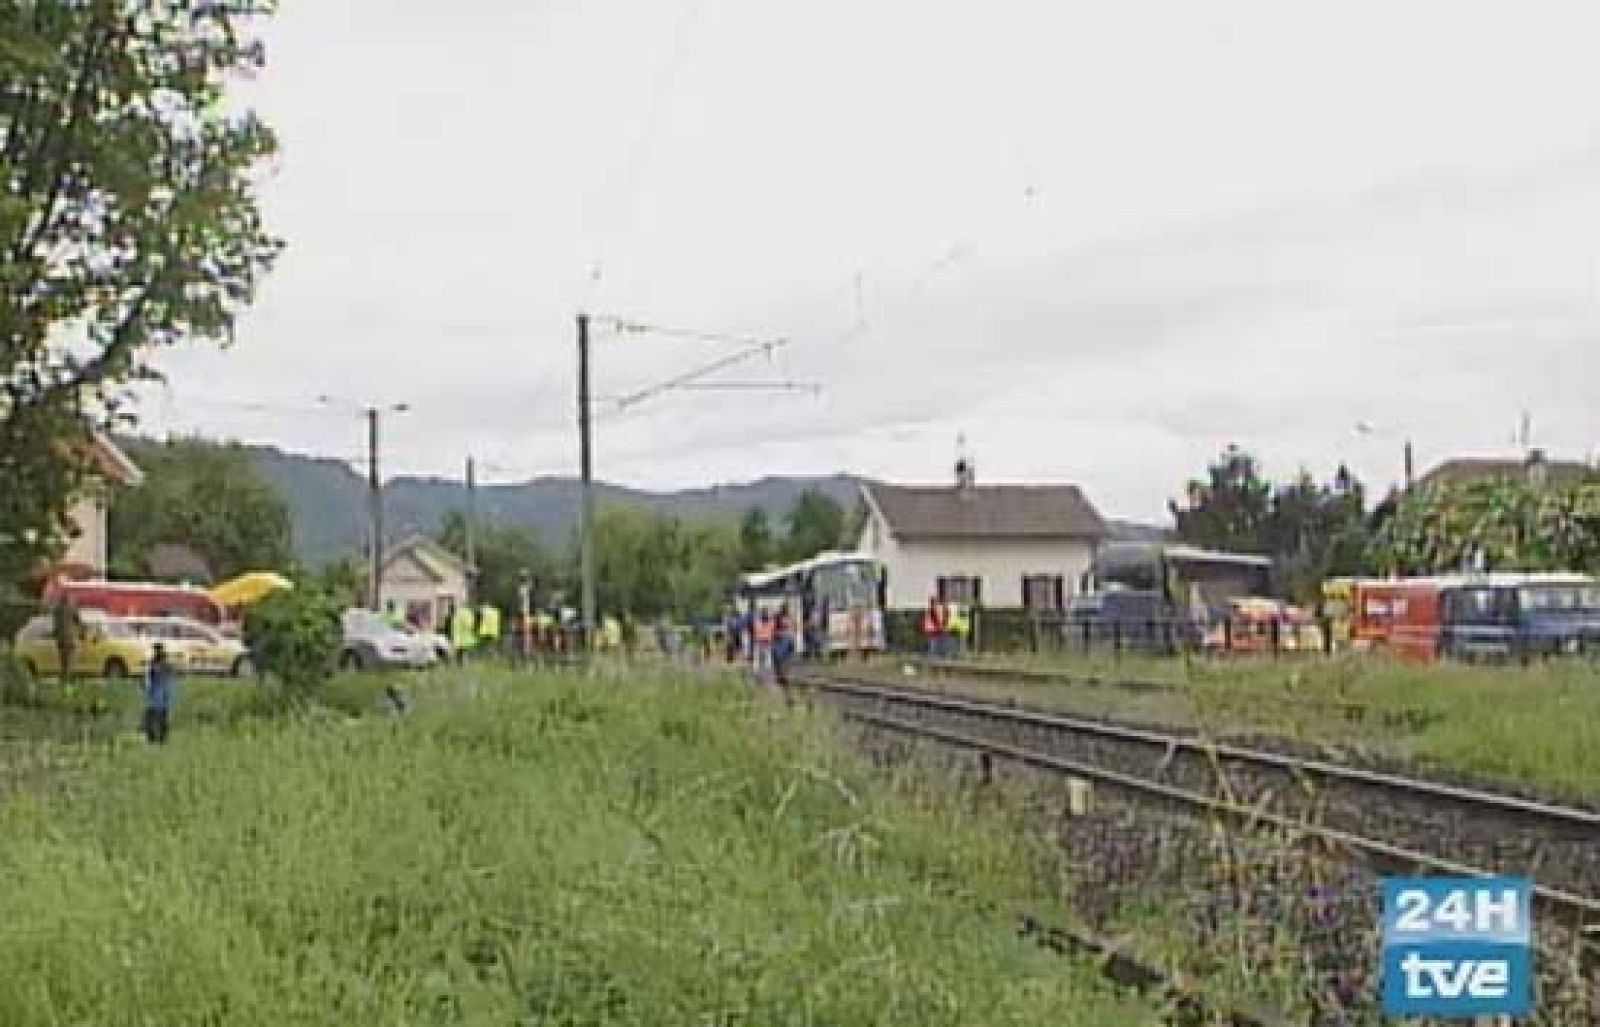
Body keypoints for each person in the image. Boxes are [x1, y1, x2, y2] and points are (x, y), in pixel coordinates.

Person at [142, 643, 177, 744]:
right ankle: (157, 738)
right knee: (159, 717)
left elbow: (148, 681)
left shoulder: (156, 666)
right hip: (158, 695)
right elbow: (148, 681)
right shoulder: (159, 665)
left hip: (157, 696)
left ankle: (156, 738)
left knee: (156, 716)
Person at [51, 595, 82, 684]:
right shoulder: (72, 608)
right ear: (68, 600)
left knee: (63, 660)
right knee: (71, 659)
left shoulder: (57, 610)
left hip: (60, 638)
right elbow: (78, 621)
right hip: (71, 638)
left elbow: (56, 624)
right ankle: (69, 678)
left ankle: (64, 678)